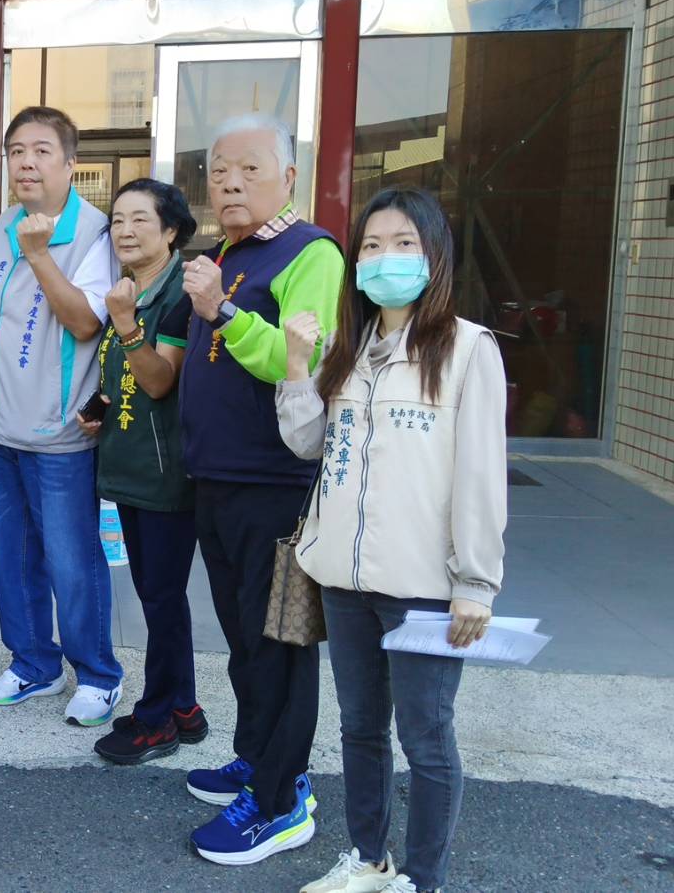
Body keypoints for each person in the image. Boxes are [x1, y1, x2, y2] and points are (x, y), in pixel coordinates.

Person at [284, 187, 505, 893]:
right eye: (372, 246)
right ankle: (368, 859)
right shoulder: (348, 348)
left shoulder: (467, 349)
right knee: (358, 728)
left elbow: (479, 475)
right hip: (344, 580)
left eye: (403, 243)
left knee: (425, 738)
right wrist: (297, 365)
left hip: (423, 588)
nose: (385, 258)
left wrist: (475, 581)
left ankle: (422, 879)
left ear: (433, 254)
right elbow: (307, 443)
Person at [177, 113, 343, 865]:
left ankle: (281, 800)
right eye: (218, 171)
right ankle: (255, 758)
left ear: (289, 177)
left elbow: (296, 363)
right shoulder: (226, 253)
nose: (230, 183)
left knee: (280, 644)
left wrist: (222, 310)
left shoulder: (311, 253)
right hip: (218, 483)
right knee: (246, 638)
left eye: (249, 168)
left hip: (278, 486)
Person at [0, 106, 123, 727]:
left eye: (41, 151)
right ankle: (33, 663)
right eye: (16, 152)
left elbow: (86, 321)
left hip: (59, 433)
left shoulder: (94, 232)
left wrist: (39, 255)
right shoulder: (4, 223)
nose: (26, 163)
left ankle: (99, 674)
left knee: (71, 561)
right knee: (10, 558)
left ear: (70, 163)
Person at [78, 180, 210, 765]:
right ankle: (183, 706)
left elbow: (160, 380)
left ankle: (157, 720)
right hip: (132, 466)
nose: (124, 231)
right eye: (117, 220)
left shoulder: (180, 292)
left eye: (139, 219)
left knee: (161, 598)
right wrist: (100, 408)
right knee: (160, 595)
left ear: (172, 230)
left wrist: (126, 323)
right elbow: (126, 378)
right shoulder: (134, 287)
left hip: (165, 474)